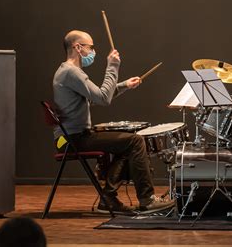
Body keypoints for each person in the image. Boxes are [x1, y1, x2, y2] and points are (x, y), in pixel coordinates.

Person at [52, 30, 174, 215]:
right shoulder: (71, 72)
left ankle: (108, 197)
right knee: (135, 141)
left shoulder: (70, 72)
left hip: (75, 136)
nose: (93, 51)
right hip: (72, 139)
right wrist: (113, 67)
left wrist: (124, 85)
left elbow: (94, 98)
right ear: (78, 47)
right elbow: (103, 99)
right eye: (90, 47)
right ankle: (147, 200)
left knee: (129, 143)